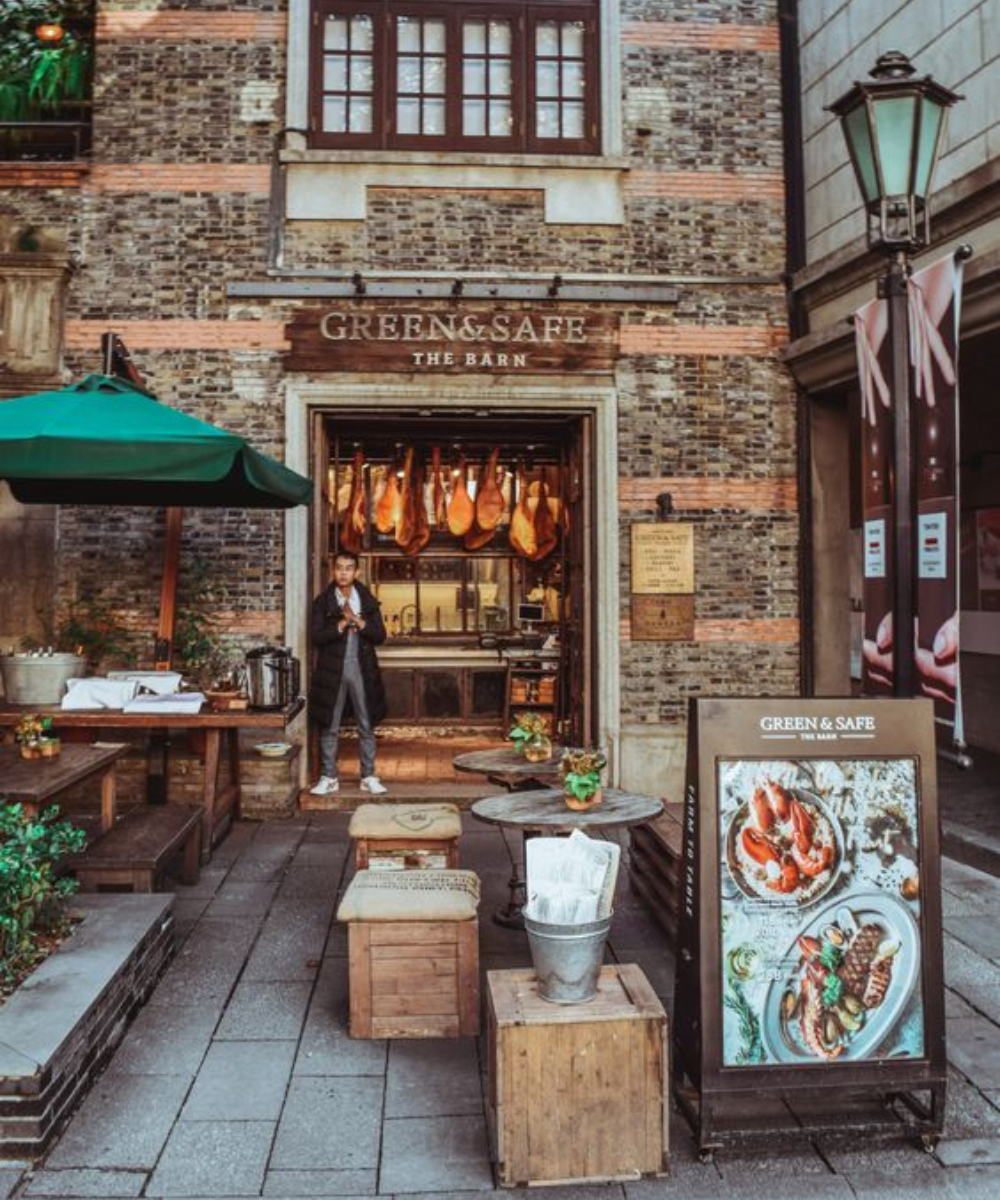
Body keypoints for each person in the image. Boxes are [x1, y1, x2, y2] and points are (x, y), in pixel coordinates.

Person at [309, 550, 388, 795]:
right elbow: (316, 637)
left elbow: (380, 635)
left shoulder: (367, 600)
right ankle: (329, 777)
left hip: (361, 669)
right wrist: (341, 624)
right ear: (333, 571)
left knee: (366, 723)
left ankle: (368, 776)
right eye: (339, 568)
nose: (343, 572)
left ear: (356, 572)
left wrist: (359, 621)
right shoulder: (323, 602)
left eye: (348, 568)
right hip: (332, 670)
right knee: (329, 725)